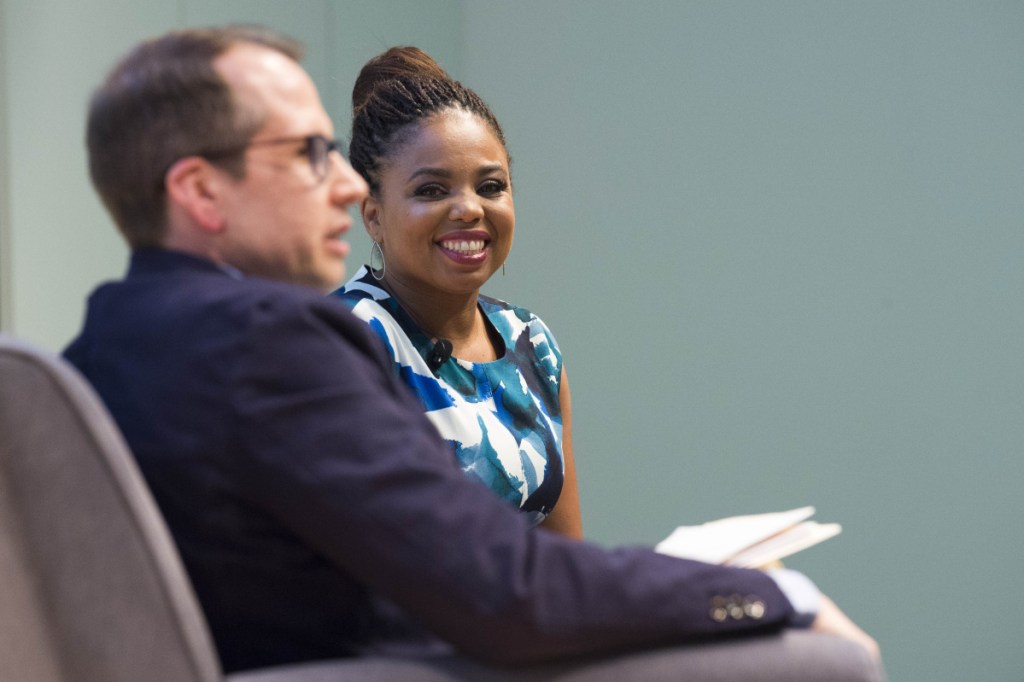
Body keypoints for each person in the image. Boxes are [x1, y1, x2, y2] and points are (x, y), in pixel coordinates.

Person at [64, 24, 880, 676]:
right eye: (309, 155)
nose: (346, 187)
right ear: (201, 191)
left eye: (491, 184)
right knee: (823, 658)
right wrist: (763, 594)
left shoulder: (103, 345)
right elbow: (504, 595)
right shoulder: (275, 340)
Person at [333, 47, 580, 538]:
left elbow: (565, 559)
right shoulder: (344, 342)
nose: (469, 209)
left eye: (490, 186)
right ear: (373, 214)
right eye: (431, 190)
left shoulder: (532, 341)